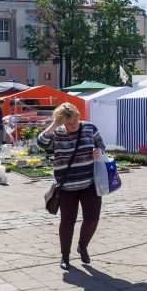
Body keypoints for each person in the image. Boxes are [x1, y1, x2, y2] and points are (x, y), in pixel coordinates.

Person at [36, 103, 106, 270]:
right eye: (68, 123)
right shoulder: (57, 133)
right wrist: (55, 124)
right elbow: (41, 142)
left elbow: (101, 146)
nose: (73, 125)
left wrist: (99, 151)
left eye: (75, 120)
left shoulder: (89, 128)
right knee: (68, 221)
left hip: (90, 183)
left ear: (78, 116)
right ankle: (65, 255)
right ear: (62, 122)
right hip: (67, 186)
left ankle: (82, 246)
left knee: (92, 219)